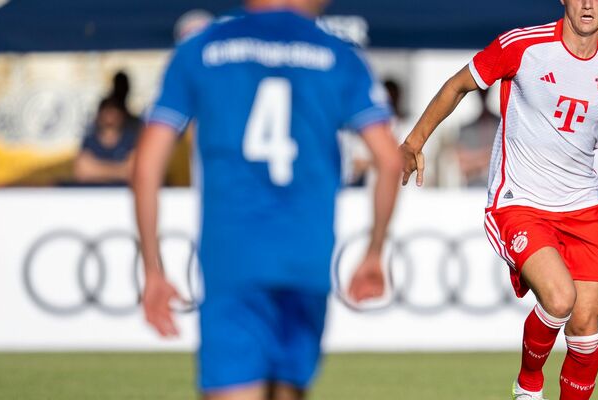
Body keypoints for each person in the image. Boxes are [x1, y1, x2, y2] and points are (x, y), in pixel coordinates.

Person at [399, 1, 598, 399]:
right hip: (520, 201)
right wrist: (414, 141)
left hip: (584, 205)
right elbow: (458, 85)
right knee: (560, 298)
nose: (588, 4)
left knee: (586, 324)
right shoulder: (523, 46)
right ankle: (528, 384)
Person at [132, 1, 402, 399]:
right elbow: (390, 161)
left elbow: (145, 168)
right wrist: (374, 251)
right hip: (305, 259)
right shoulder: (339, 56)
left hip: (233, 259)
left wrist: (153, 269)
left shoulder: (201, 50)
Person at [73, 97, 141, 185]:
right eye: (107, 111)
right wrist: (121, 170)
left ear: (121, 115)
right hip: (95, 191)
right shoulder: (90, 140)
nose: (110, 116)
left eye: (114, 111)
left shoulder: (131, 139)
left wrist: (96, 169)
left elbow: (135, 171)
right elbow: (82, 171)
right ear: (99, 114)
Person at [456, 89, 500, 187]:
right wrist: (491, 155)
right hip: (475, 190)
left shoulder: (502, 124)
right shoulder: (466, 129)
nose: (483, 94)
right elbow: (463, 165)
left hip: (499, 190)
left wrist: (474, 160)